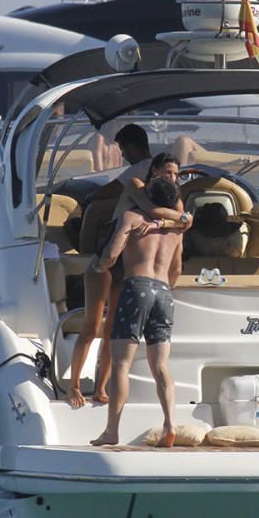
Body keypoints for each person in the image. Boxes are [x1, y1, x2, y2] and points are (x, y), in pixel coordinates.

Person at [66, 152, 190, 408]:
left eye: (176, 174)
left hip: (129, 266)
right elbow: (160, 212)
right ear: (154, 170)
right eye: (168, 172)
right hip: (106, 260)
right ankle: (74, 385)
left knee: (113, 329)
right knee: (91, 327)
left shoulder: (175, 196)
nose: (173, 178)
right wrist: (178, 219)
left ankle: (100, 388)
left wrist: (177, 220)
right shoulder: (136, 185)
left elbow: (184, 224)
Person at [90, 176, 185, 448]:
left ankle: (111, 431)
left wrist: (99, 267)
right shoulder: (177, 228)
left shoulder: (132, 218)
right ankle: (169, 424)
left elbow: (111, 254)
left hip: (136, 287)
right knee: (161, 366)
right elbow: (176, 269)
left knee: (121, 364)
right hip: (164, 291)